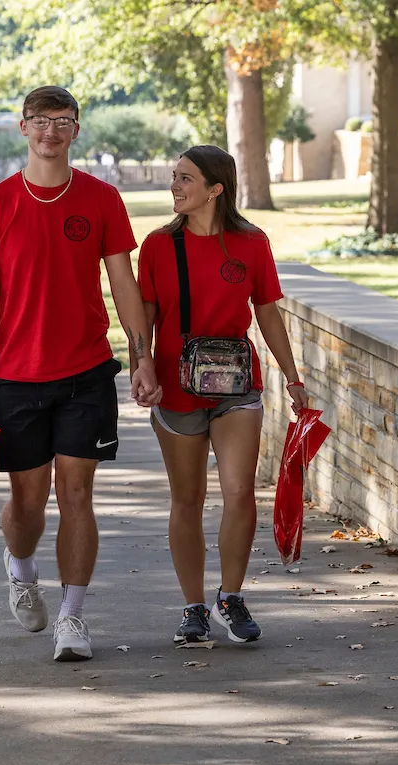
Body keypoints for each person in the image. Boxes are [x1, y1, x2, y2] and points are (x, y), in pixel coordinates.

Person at [0, 85, 161, 662]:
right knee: (28, 503)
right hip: (18, 379)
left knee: (77, 493)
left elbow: (124, 282)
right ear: (23, 128)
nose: (51, 131)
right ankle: (20, 566)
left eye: (63, 121)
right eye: (40, 121)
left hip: (87, 372)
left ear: (77, 129)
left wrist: (142, 354)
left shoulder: (102, 200)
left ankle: (73, 618)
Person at [138, 145, 308, 645]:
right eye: (174, 177)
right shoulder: (157, 246)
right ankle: (193, 607)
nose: (174, 186)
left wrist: (293, 377)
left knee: (239, 493)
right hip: (176, 386)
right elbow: (142, 315)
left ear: (216, 189)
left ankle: (230, 598)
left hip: (237, 385)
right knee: (187, 498)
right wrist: (142, 363)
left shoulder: (251, 243)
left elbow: (268, 313)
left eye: (185, 179)